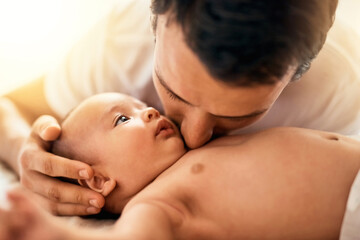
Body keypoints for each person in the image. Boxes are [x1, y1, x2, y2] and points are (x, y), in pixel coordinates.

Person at [1, 0, 359, 216]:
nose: (194, 137)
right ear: (155, 24)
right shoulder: (125, 38)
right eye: (172, 93)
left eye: (238, 117)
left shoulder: (343, 96)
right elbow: (10, 106)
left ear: (296, 74)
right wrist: (23, 150)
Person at [1, 92, 360, 240]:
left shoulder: (195, 149)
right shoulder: (154, 203)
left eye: (141, 106)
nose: (151, 110)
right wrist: (57, 234)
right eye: (123, 120)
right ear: (98, 180)